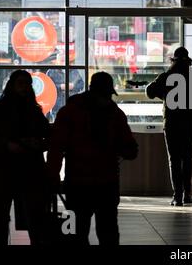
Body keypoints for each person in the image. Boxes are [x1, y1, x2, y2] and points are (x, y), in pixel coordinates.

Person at [47, 71, 138, 245]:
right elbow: (131, 150)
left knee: (75, 233)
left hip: (76, 183)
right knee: (108, 231)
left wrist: (52, 175)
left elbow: (57, 147)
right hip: (107, 183)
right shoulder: (115, 114)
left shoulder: (69, 111)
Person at [146, 47, 192, 206]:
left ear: (173, 60)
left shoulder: (167, 76)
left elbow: (149, 91)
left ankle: (178, 196)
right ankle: (188, 194)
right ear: (188, 60)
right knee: (188, 158)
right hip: (189, 123)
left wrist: (165, 96)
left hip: (172, 123)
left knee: (174, 159)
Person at [0, 70, 50, 245]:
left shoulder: (0, 108)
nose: (25, 87)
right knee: (32, 216)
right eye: (21, 83)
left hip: (8, 168)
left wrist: (38, 144)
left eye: (27, 84)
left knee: (8, 216)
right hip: (23, 167)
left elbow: (47, 135)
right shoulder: (32, 110)